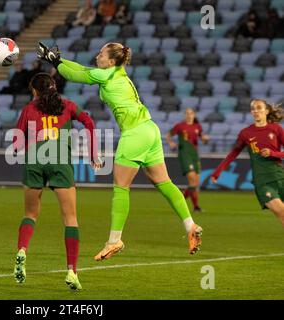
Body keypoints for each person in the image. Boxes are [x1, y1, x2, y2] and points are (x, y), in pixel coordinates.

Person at [37, 41, 203, 261]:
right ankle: (190, 225)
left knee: (121, 187)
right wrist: (57, 59)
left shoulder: (107, 76)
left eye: (101, 54)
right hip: (150, 130)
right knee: (164, 183)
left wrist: (56, 62)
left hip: (134, 133)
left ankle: (114, 240)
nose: (97, 56)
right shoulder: (114, 73)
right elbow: (82, 69)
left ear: (111, 60)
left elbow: (76, 76)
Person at [12, 73, 100, 290]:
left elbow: (15, 143)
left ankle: (22, 250)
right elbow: (89, 122)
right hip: (60, 162)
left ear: (34, 90)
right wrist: (92, 153)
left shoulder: (29, 109)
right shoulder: (68, 105)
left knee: (30, 214)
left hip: (34, 161)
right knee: (70, 219)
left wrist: (35, 139)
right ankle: (72, 271)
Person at [211, 99, 284, 227]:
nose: (256, 111)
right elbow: (233, 153)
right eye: (253, 109)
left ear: (266, 111)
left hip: (280, 176)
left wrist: (274, 153)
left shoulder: (276, 129)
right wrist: (218, 172)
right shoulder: (246, 133)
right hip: (262, 181)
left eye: (259, 108)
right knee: (281, 211)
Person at [166, 108, 210, 213]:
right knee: (193, 181)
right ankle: (179, 203)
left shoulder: (197, 126)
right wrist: (170, 142)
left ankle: (196, 207)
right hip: (184, 154)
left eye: (191, 113)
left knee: (196, 184)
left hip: (195, 155)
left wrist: (205, 139)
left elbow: (203, 139)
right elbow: (169, 135)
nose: (189, 115)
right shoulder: (180, 126)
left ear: (194, 115)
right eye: (187, 113)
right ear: (184, 115)